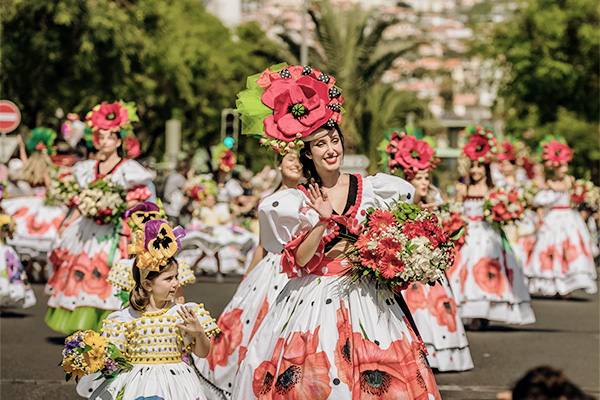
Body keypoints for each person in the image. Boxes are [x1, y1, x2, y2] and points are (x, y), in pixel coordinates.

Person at [232, 64, 440, 399]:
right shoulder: (293, 201)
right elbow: (299, 260)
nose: (330, 150)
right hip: (312, 298)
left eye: (334, 141)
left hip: (367, 298)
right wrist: (322, 221)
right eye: (319, 145)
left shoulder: (372, 189)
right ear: (307, 154)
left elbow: (385, 235)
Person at [45, 101, 155, 334]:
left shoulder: (128, 168)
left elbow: (140, 200)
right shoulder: (87, 168)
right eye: (100, 138)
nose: (104, 142)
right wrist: (67, 225)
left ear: (118, 141)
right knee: (81, 270)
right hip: (88, 230)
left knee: (110, 274)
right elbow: (79, 201)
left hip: (114, 231)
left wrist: (115, 206)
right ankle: (86, 325)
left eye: (108, 138)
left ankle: (113, 323)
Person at [198, 151, 302, 396]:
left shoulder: (313, 196)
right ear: (278, 163)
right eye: (290, 158)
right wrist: (246, 281)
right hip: (270, 271)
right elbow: (262, 245)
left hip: (298, 269)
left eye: (300, 158)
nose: (295, 163)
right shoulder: (269, 199)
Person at [84, 219, 221, 400]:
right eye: (168, 279)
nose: (176, 283)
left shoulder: (182, 313)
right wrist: (94, 355)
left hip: (177, 385)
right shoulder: (125, 318)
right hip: (136, 385)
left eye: (176, 277)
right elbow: (113, 362)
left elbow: (203, 353)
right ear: (148, 284)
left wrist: (198, 333)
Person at [381, 130, 473, 372]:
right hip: (407, 274)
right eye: (418, 178)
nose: (423, 182)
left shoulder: (436, 207)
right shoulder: (398, 209)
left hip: (430, 274)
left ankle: (441, 355)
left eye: (425, 178)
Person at [448, 126, 535, 330]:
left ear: (486, 167)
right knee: (463, 272)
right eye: (473, 166)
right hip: (468, 235)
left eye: (479, 166)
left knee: (487, 270)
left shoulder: (494, 188)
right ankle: (470, 313)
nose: (476, 170)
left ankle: (483, 313)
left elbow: (504, 208)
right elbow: (456, 212)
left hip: (489, 235)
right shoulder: (463, 189)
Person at [524, 138, 597, 296]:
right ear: (554, 168)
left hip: (570, 218)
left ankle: (568, 284)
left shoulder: (570, 182)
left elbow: (578, 197)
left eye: (565, 165)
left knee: (571, 248)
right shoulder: (549, 183)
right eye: (561, 166)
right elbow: (539, 201)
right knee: (553, 249)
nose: (564, 169)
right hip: (554, 218)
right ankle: (556, 284)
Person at [1, 130, 67, 275]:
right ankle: (42, 267)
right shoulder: (46, 171)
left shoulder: (30, 169)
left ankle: (31, 267)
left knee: (24, 226)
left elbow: (25, 162)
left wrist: (22, 147)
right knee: (49, 231)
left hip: (30, 200)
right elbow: (50, 187)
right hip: (43, 201)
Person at [163, 160, 190, 227]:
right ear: (184, 170)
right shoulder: (179, 178)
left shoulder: (172, 175)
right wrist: (190, 177)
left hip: (167, 204)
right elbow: (188, 188)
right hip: (172, 206)